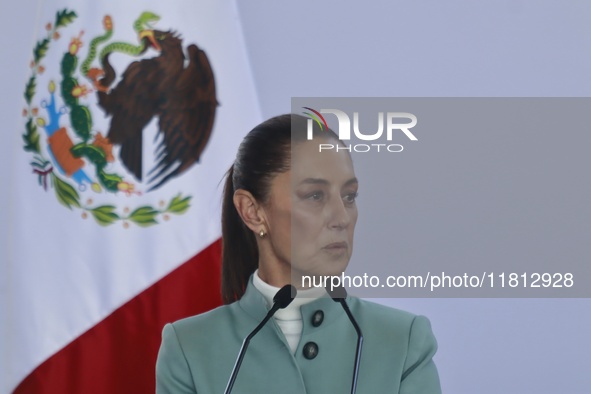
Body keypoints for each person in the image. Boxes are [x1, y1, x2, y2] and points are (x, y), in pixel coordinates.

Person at [155, 114, 441, 393]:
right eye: (315, 196)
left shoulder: (402, 341)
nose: (342, 218)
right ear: (252, 212)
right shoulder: (189, 347)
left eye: (349, 196)